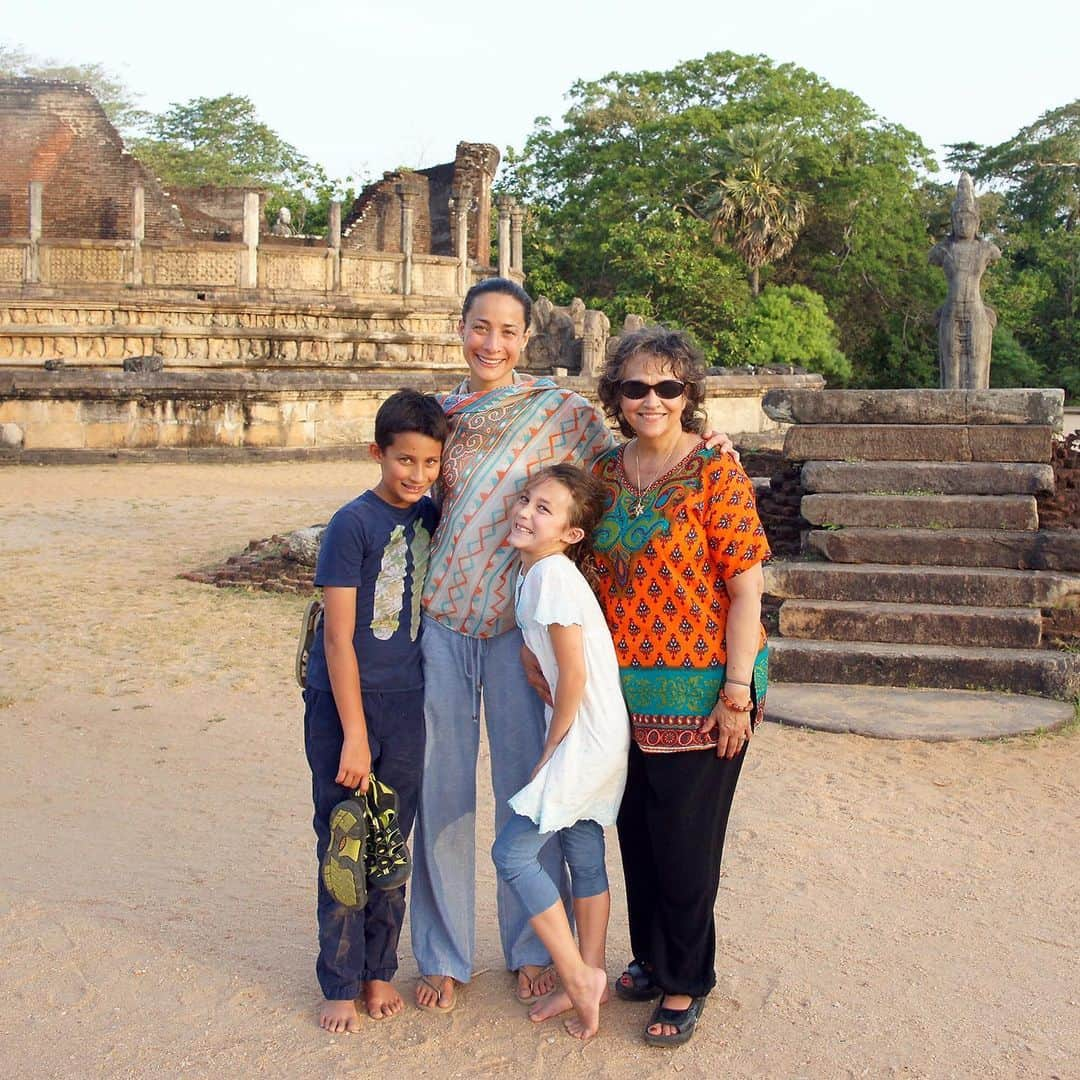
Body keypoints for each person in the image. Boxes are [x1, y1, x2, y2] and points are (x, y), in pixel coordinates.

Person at [410, 279, 733, 1013]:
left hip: (520, 634)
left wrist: (709, 444)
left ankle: (531, 948)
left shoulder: (558, 412)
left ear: (527, 341)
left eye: (507, 332)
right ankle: (443, 954)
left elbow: (637, 449)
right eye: (479, 328)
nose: (492, 344)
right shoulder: (441, 419)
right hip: (447, 619)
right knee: (443, 794)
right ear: (459, 330)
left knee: (535, 794)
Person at [590, 326, 769, 1048]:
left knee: (688, 844)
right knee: (636, 833)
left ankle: (687, 979)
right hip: (624, 695)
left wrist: (736, 692)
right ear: (617, 396)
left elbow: (747, 585)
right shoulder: (601, 474)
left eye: (668, 386)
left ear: (689, 394)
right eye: (636, 387)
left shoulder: (714, 473)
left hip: (705, 691)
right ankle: (651, 956)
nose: (652, 399)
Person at [302, 388, 448, 1031]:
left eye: (430, 463)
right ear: (377, 454)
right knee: (345, 841)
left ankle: (379, 970)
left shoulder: (431, 513)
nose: (416, 475)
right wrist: (354, 735)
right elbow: (337, 638)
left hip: (405, 703)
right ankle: (338, 979)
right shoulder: (350, 524)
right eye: (404, 461)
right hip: (343, 708)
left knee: (391, 845)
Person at [490, 465, 630, 1041]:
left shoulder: (549, 575)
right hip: (596, 731)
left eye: (545, 509)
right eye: (526, 499)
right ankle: (591, 977)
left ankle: (575, 975)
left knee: (513, 854)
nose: (526, 512)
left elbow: (571, 672)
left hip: (582, 735)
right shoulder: (541, 573)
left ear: (571, 534)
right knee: (583, 850)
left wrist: (552, 746)